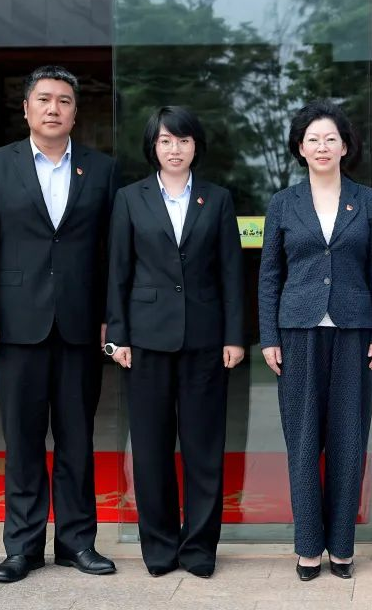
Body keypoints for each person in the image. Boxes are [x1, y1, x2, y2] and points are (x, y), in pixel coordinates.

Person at [0, 65, 118, 583]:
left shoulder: (101, 169)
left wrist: (111, 317)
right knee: (23, 440)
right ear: (26, 108)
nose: (54, 108)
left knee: (77, 439)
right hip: (15, 324)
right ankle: (22, 547)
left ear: (76, 113)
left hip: (80, 325)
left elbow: (113, 252)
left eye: (64, 101)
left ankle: (78, 543)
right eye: (45, 99)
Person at [104, 106, 245, 578]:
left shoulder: (217, 199)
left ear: (195, 146)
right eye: (165, 140)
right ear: (153, 146)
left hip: (205, 340)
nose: (175, 149)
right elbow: (118, 271)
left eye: (183, 140)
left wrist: (234, 335)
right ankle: (160, 547)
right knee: (150, 451)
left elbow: (231, 272)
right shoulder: (130, 198)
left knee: (204, 450)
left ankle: (200, 548)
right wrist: (117, 336)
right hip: (145, 340)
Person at [258, 100, 372, 581]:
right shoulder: (283, 203)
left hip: (355, 334)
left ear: (344, 147)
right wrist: (268, 336)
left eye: (330, 139)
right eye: (312, 139)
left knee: (348, 441)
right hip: (297, 333)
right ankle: (307, 547)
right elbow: (270, 276)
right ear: (300, 148)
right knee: (303, 441)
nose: (322, 147)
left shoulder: (367, 201)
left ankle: (342, 546)